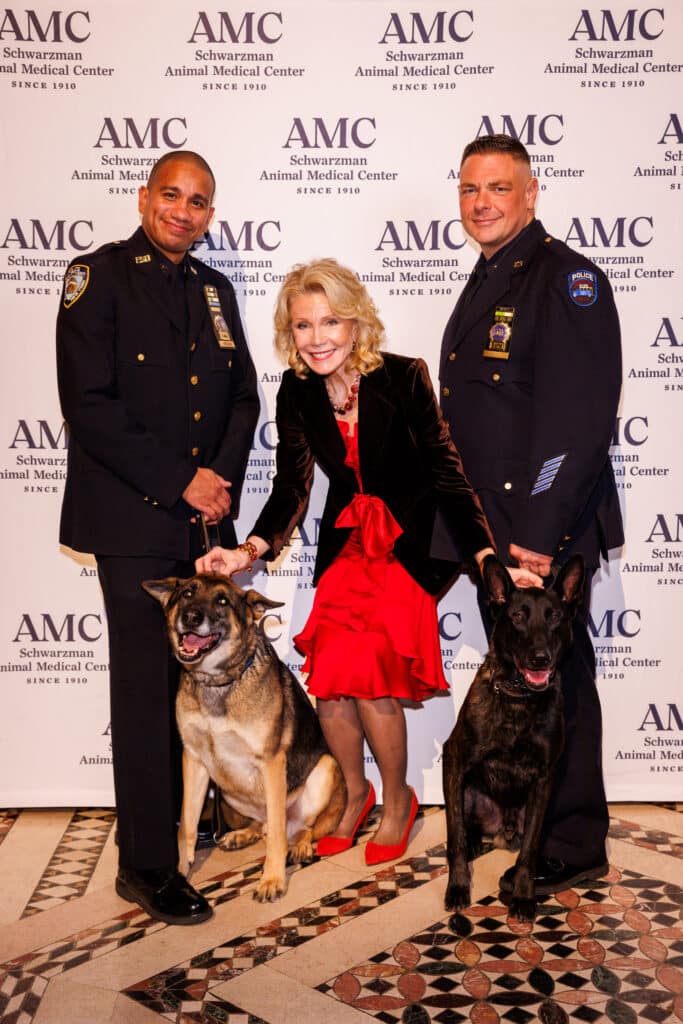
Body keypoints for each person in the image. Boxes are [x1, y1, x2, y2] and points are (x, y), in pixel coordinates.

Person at [196, 258, 495, 864]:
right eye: (303, 326)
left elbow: (447, 473)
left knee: (370, 664)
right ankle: (354, 793)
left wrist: (484, 552)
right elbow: (290, 487)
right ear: (290, 333)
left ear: (356, 324)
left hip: (409, 547)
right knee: (330, 673)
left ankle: (397, 800)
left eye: (330, 321)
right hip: (347, 544)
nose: (317, 337)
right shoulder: (298, 392)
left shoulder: (404, 378)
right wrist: (251, 549)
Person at [56, 150, 259, 924]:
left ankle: (197, 812)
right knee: (144, 690)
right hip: (135, 521)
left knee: (205, 683)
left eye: (198, 200)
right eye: (171, 195)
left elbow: (242, 397)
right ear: (144, 198)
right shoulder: (96, 276)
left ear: (212, 213)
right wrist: (181, 479)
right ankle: (145, 863)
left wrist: (218, 484)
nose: (183, 210)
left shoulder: (215, 289)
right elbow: (90, 404)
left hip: (203, 523)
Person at [435, 133, 624, 895]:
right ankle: (528, 827)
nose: (481, 202)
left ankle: (573, 840)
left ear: (531, 191)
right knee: (522, 687)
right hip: (498, 540)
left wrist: (539, 540)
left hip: (543, 532)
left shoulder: (566, 279)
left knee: (561, 687)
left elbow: (576, 422)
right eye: (469, 189)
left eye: (497, 188)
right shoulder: (491, 276)